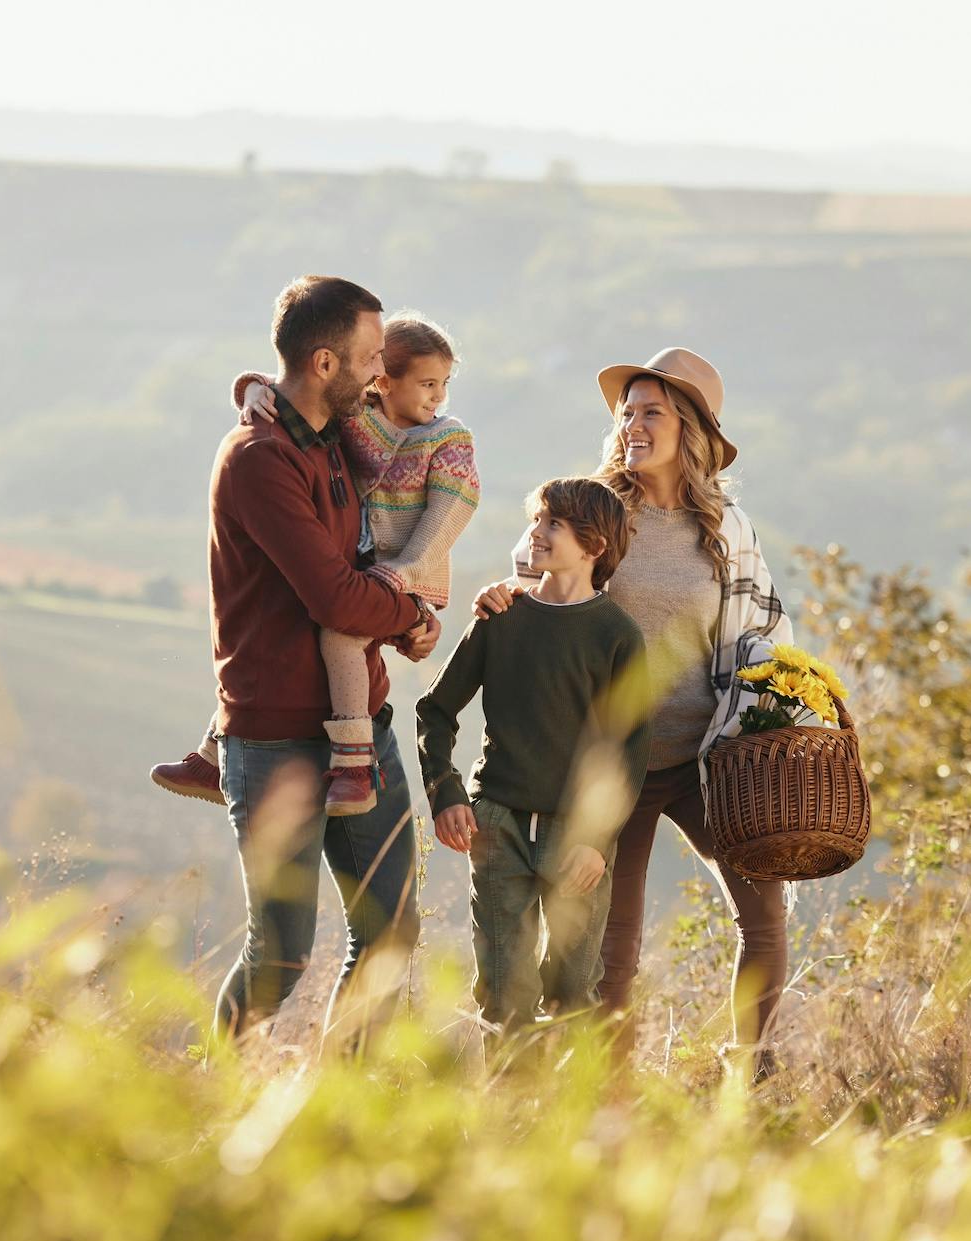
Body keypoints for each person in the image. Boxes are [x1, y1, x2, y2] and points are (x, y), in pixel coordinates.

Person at [474, 348, 794, 1073]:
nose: (633, 425)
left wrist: (774, 715)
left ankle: (752, 1071)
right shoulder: (596, 511)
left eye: (651, 412)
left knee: (765, 915)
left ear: (690, 428)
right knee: (610, 956)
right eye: (627, 412)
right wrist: (504, 594)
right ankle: (607, 1097)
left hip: (703, 761)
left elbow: (765, 636)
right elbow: (534, 578)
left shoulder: (727, 529)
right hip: (609, 770)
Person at [196, 275, 442, 1041]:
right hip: (274, 741)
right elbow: (334, 597)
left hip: (361, 720)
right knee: (282, 958)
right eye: (372, 357)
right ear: (326, 362)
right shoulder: (258, 460)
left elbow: (363, 551)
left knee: (392, 932)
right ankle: (222, 1091)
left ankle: (341, 1104)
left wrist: (402, 622)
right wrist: (405, 611)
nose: (382, 374)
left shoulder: (335, 436)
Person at [151, 313, 480, 816]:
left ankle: (352, 763)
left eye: (444, 385)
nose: (438, 397)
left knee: (339, 633)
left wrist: (403, 576)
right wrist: (251, 389)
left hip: (407, 569)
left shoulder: (446, 438)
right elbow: (305, 396)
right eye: (427, 384)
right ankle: (215, 753)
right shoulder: (359, 417)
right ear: (383, 381)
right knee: (281, 615)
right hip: (361, 562)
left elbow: (450, 514)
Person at [417, 477, 651, 1034]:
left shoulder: (618, 636)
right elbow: (436, 710)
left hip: (579, 837)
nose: (536, 533)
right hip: (498, 823)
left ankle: (565, 1118)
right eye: (536, 520)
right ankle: (509, 1115)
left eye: (554, 524)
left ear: (593, 547)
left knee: (573, 992)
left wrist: (597, 843)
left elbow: (631, 751)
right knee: (504, 990)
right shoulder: (501, 617)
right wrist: (446, 794)